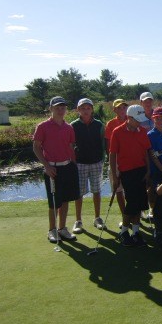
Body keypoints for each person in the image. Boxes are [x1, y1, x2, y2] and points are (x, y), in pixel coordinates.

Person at [33, 96, 79, 243]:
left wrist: (74, 165)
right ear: (51, 109)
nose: (60, 110)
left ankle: (62, 229)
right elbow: (36, 147)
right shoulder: (43, 126)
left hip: (67, 167)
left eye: (63, 108)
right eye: (57, 108)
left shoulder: (69, 127)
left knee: (65, 200)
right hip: (52, 169)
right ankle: (52, 230)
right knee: (54, 202)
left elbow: (70, 147)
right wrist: (46, 166)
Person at [109, 104, 151, 247]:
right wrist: (115, 176)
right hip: (127, 172)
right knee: (132, 203)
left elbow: (146, 152)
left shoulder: (142, 131)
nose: (140, 122)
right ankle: (124, 232)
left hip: (141, 171)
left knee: (140, 203)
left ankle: (136, 232)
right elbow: (112, 154)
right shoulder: (117, 132)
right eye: (137, 120)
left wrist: (148, 171)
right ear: (129, 117)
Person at [71, 98, 106, 234]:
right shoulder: (73, 125)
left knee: (96, 191)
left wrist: (102, 159)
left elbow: (103, 143)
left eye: (88, 108)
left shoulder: (99, 124)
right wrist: (73, 161)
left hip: (96, 162)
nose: (86, 111)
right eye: (83, 108)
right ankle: (78, 221)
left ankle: (97, 218)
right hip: (80, 163)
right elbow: (71, 145)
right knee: (79, 193)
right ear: (78, 110)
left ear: (92, 109)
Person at [103, 99, 128, 219]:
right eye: (119, 108)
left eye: (124, 107)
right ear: (114, 110)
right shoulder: (111, 124)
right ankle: (124, 216)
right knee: (118, 189)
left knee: (130, 189)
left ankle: (132, 213)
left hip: (130, 160)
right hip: (116, 160)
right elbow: (109, 146)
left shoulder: (131, 120)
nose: (122, 110)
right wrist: (113, 163)